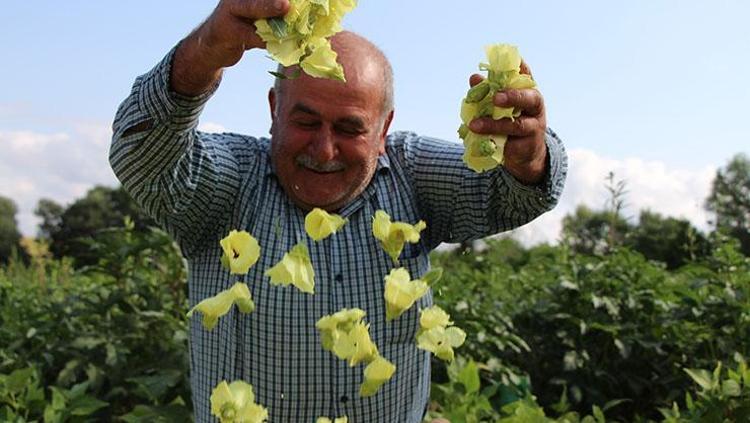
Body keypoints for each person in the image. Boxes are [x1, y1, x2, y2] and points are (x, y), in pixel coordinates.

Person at [109, 1, 568, 421]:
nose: (324, 150)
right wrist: (206, 51)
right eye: (306, 122)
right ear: (274, 109)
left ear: (384, 128)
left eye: (350, 128)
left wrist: (528, 158)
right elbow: (139, 153)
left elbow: (516, 195)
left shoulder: (412, 172)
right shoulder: (227, 184)